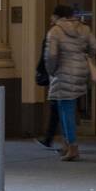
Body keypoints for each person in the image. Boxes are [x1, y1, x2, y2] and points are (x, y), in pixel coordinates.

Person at [44, 3, 96, 162]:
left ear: (57, 16)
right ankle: (67, 144)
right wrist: (83, 55)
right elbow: (95, 46)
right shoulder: (84, 28)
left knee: (65, 108)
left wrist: (51, 71)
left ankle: (72, 146)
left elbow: (52, 55)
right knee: (67, 106)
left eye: (52, 15)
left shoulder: (55, 31)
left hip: (63, 71)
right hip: (81, 70)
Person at [34, 11, 62, 150]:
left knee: (58, 107)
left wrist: (44, 70)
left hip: (58, 76)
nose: (50, 18)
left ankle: (54, 139)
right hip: (73, 77)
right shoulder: (80, 31)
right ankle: (51, 138)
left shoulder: (54, 32)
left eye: (53, 15)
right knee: (59, 108)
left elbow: (49, 56)